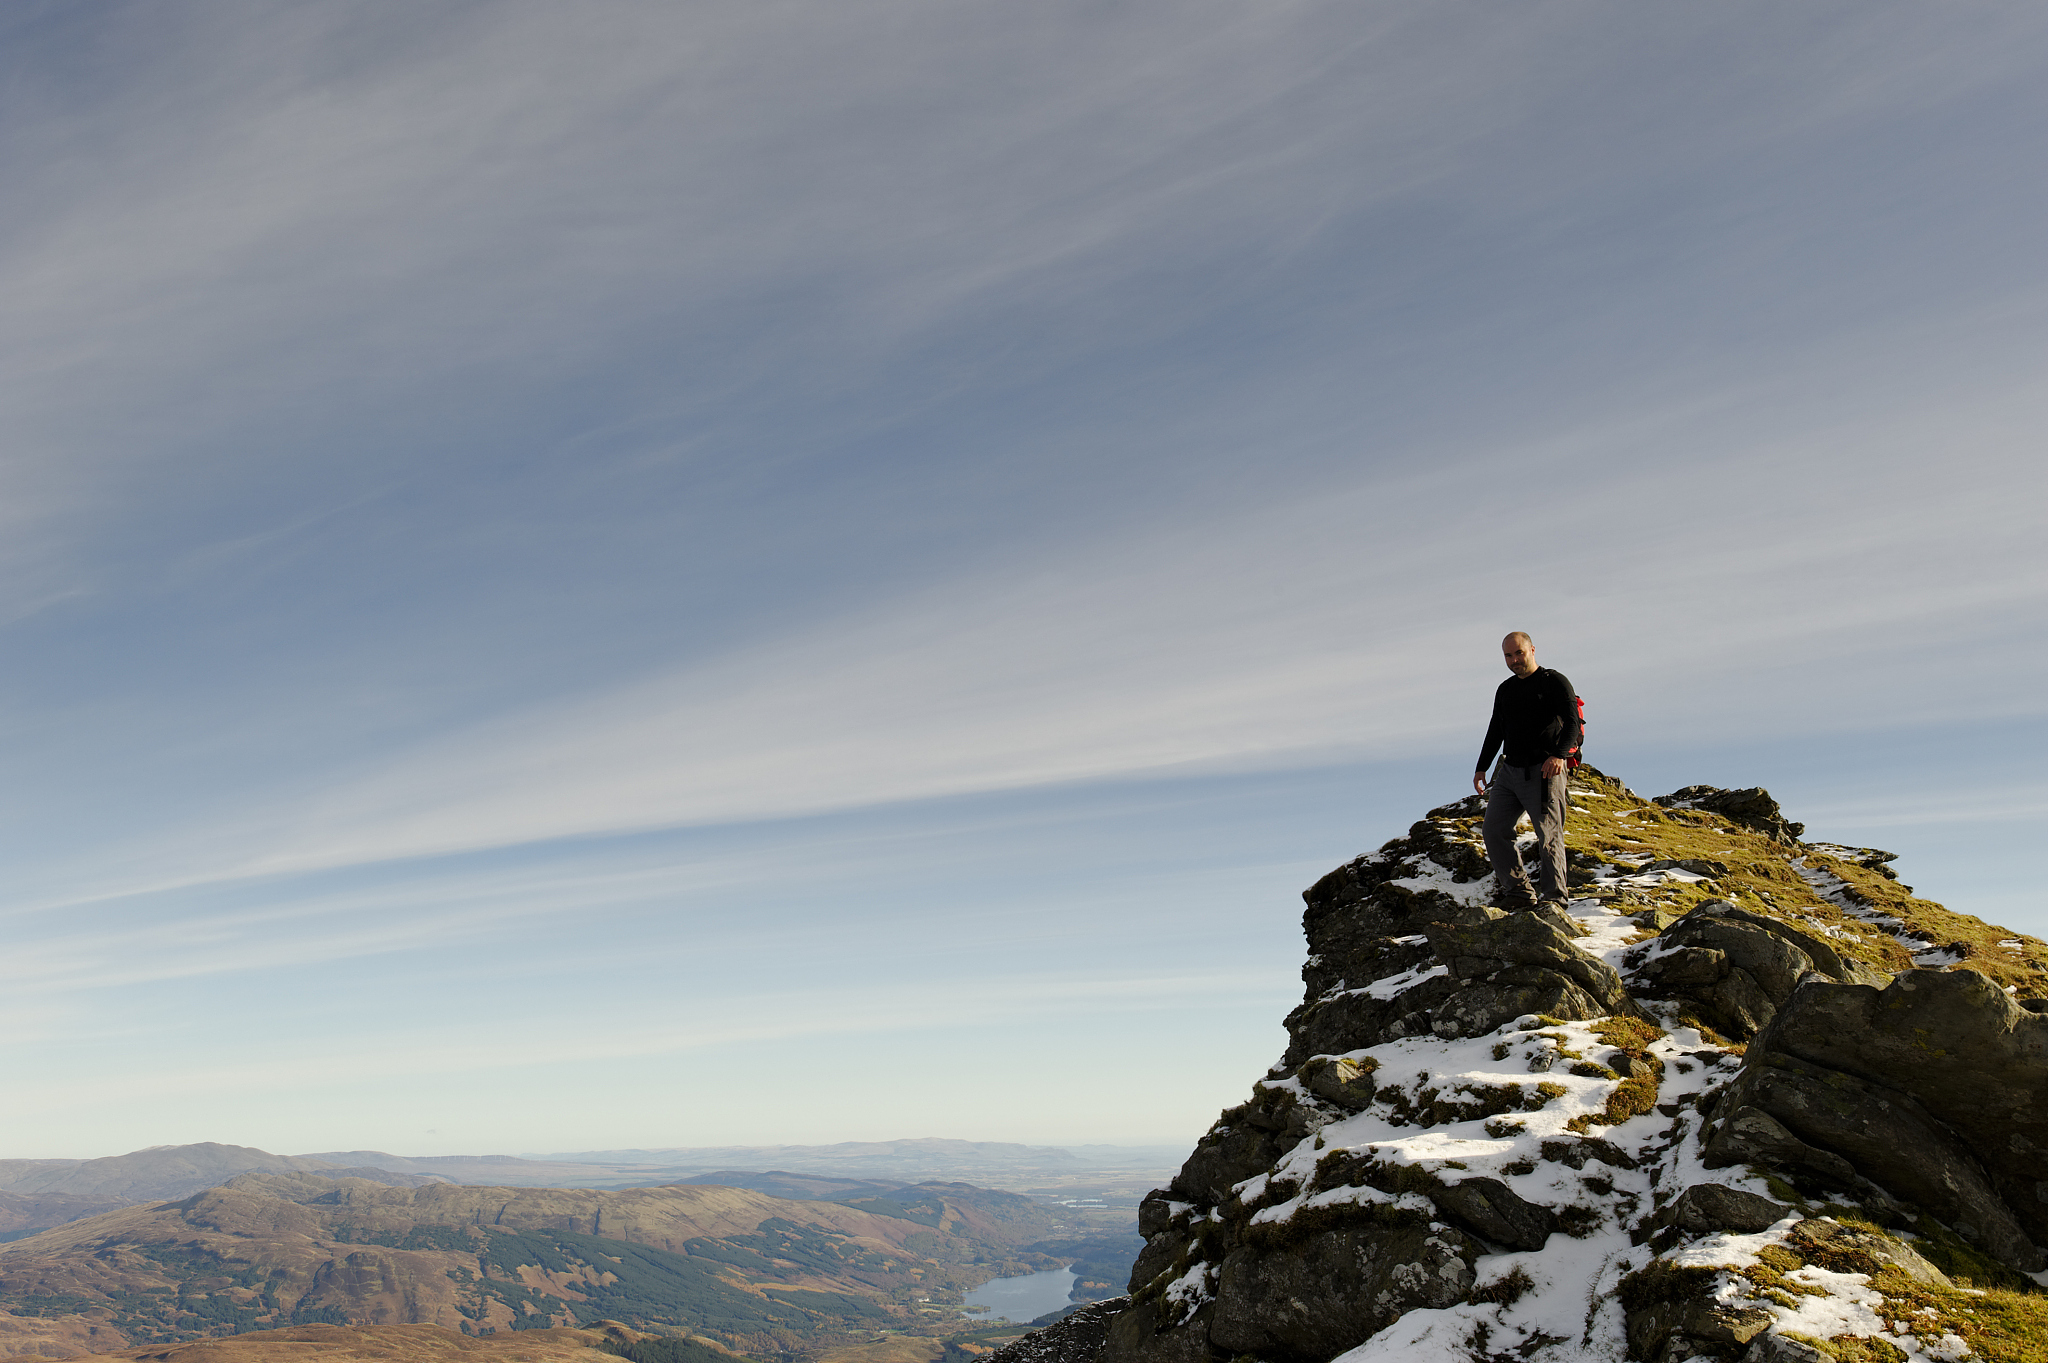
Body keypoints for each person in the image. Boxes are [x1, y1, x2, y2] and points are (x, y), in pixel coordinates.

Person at [1471, 632, 1581, 911]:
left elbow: (1571, 722)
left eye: (1519, 653)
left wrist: (1559, 755)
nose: (1514, 660)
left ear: (1532, 650)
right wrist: (1481, 767)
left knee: (1548, 835)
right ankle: (1518, 892)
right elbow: (1496, 728)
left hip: (1545, 768)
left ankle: (1555, 898)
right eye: (1508, 656)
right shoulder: (1505, 689)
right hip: (1510, 771)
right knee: (1494, 830)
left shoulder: (1554, 681)